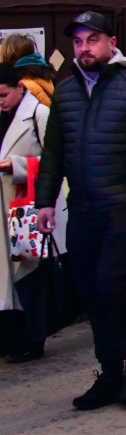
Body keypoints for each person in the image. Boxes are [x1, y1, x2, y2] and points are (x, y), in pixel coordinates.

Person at [36, 11, 126, 410]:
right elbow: (54, 152)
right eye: (78, 41)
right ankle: (110, 370)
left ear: (111, 43)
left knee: (115, 283)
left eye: (92, 40)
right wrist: (45, 200)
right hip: (82, 205)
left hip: (124, 204)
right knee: (90, 289)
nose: (84, 48)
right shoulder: (64, 93)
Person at [0, 62, 67, 363]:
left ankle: (33, 337)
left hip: (24, 206)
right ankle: (11, 337)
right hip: (5, 207)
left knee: (27, 270)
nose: (0, 101)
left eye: (3, 95)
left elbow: (55, 159)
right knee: (6, 277)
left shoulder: (39, 113)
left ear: (18, 87)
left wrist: (16, 166)